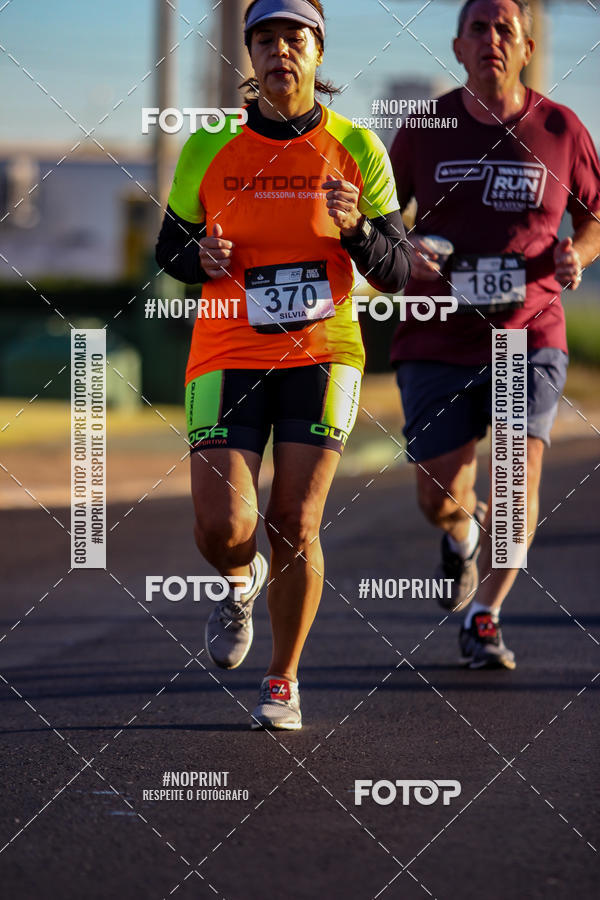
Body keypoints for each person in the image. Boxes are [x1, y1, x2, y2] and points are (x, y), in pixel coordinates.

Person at [156, 0, 410, 728]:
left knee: (295, 521)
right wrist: (195, 255)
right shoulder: (209, 147)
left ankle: (282, 678)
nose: (278, 51)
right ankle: (239, 580)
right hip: (227, 351)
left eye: (293, 37)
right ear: (251, 56)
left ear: (317, 51)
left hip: (324, 352)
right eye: (263, 38)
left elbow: (395, 272)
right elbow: (170, 250)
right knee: (221, 527)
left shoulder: (357, 146)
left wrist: (357, 228)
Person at [389, 0, 600, 669]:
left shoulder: (563, 129)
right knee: (439, 497)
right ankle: (459, 539)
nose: (491, 40)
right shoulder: (423, 126)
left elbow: (597, 217)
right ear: (458, 46)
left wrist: (581, 253)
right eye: (478, 28)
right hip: (436, 336)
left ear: (527, 45)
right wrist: (404, 246)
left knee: (514, 482)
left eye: (504, 28)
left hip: (527, 331)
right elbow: (381, 221)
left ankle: (486, 614)